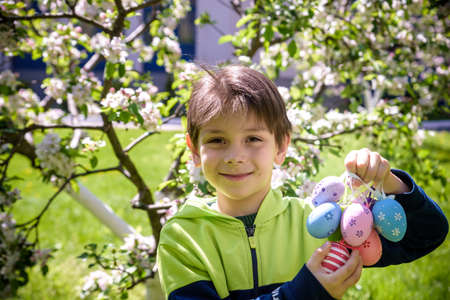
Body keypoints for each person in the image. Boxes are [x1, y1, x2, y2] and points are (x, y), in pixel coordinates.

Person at [156, 65, 448, 300]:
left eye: (253, 139)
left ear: (281, 147)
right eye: (217, 140)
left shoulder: (319, 224)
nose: (235, 156)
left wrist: (389, 182)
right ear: (194, 151)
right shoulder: (183, 238)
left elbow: (427, 234)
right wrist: (304, 292)